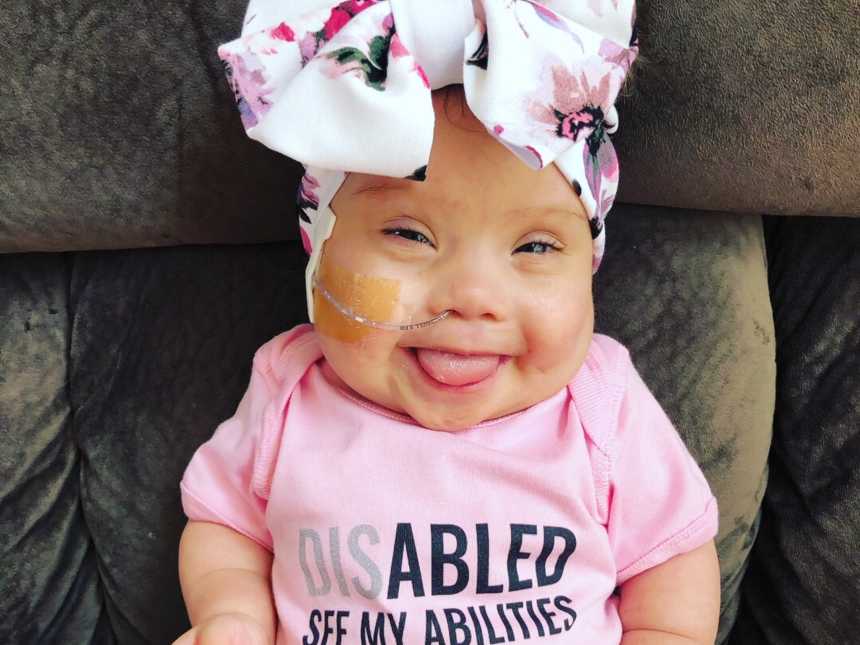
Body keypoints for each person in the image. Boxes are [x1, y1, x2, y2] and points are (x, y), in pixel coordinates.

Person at [174, 1, 720, 643]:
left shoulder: (598, 400)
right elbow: (225, 523)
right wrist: (231, 617)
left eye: (536, 247)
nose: (472, 296)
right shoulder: (290, 390)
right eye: (409, 234)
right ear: (318, 253)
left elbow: (671, 554)